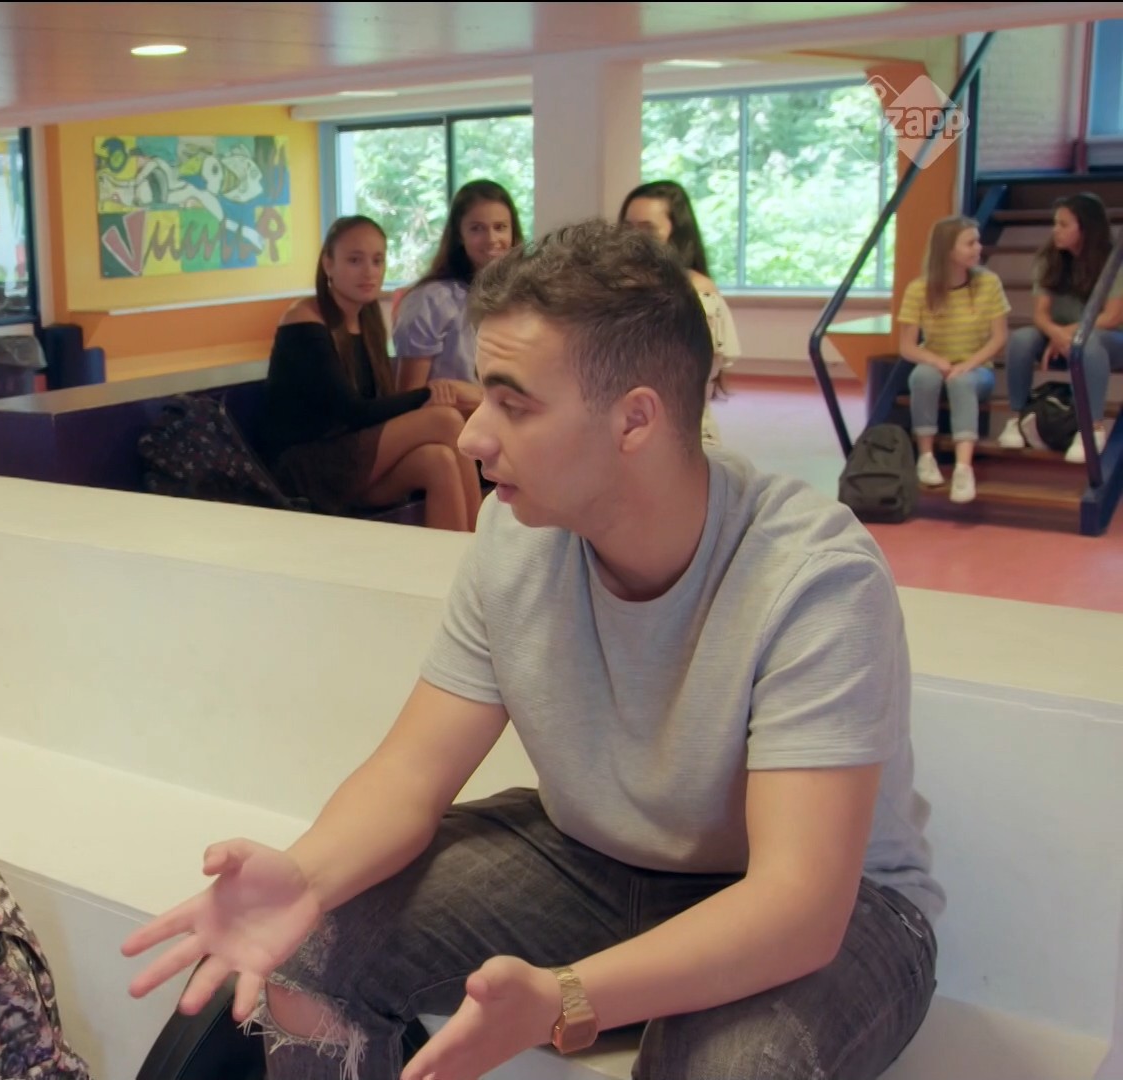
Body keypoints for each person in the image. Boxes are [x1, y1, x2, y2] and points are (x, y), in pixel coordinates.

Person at [123, 220, 941, 1080]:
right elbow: (410, 772)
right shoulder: (515, 534)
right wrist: (306, 877)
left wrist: (568, 995)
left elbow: (798, 906)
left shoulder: (813, 576)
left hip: (833, 907)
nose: (473, 436)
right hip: (592, 860)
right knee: (305, 948)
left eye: (514, 405)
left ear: (634, 420)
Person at [256, 215, 482, 532]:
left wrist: (427, 398)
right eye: (355, 260)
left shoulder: (368, 319)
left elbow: (374, 406)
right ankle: (482, 547)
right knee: (445, 419)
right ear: (328, 264)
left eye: (378, 261)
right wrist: (427, 395)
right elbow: (352, 412)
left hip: (351, 459)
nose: (369, 272)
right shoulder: (303, 319)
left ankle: (459, 557)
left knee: (438, 460)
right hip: (307, 467)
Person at [999, 192, 1123, 463]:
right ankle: (1016, 417)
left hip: (1108, 339)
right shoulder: (1050, 258)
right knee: (1021, 339)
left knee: (1089, 344)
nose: (1055, 230)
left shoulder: (1114, 260)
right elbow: (1040, 315)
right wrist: (1058, 334)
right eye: (1055, 223)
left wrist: (1067, 334)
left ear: (1085, 228)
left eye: (1064, 224)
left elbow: (1112, 317)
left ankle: (1092, 429)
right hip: (1062, 335)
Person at [896, 215, 1009, 504]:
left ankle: (963, 468)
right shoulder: (919, 289)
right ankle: (926, 457)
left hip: (977, 368)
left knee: (962, 382)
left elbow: (999, 339)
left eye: (978, 241)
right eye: (970, 243)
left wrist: (967, 365)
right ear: (948, 250)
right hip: (937, 361)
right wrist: (936, 361)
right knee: (921, 376)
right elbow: (907, 346)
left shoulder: (989, 283)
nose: (978, 248)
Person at [620, 180, 740, 448]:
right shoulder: (616, 286)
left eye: (648, 230)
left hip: (678, 433)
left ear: (677, 235)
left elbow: (689, 381)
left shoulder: (697, 293)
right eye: (627, 228)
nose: (634, 240)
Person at [391, 180, 525, 391]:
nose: (491, 239)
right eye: (476, 229)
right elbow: (410, 396)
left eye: (500, 227)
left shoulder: (525, 299)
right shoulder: (431, 301)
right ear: (459, 235)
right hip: (448, 411)